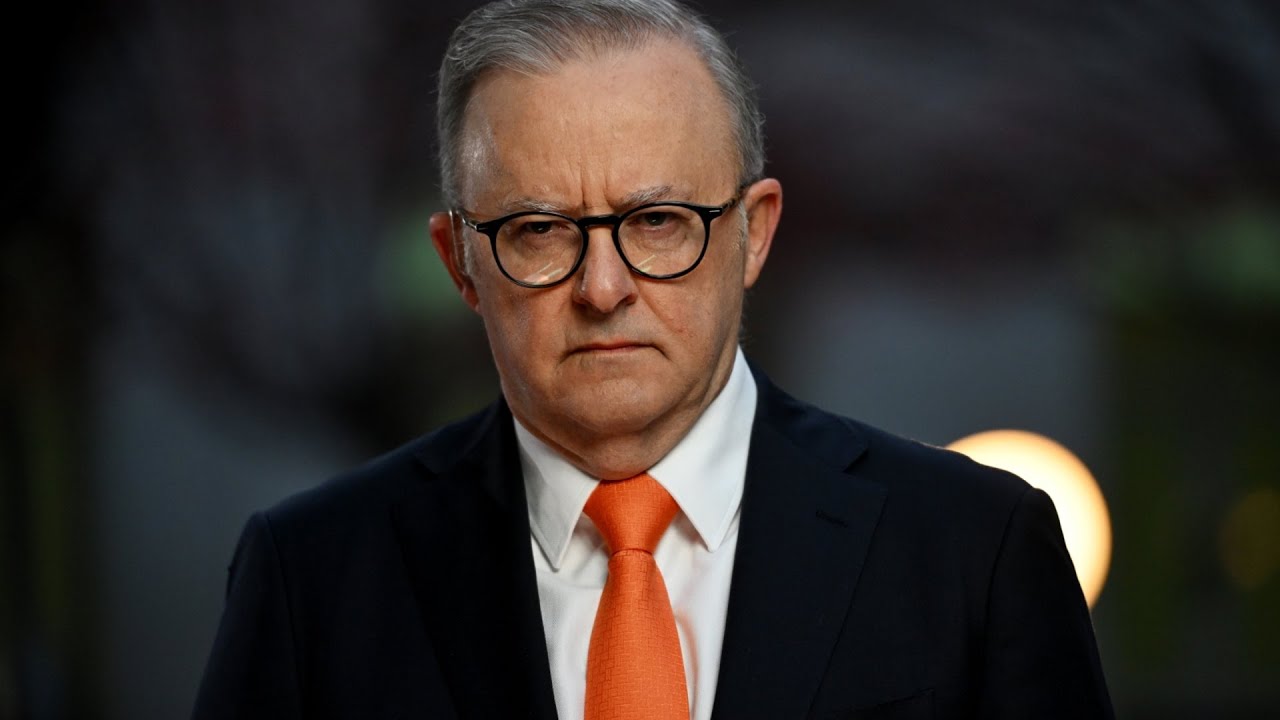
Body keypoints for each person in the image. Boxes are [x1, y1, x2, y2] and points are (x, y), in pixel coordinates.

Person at [193, 1, 1114, 718]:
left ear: (754, 234)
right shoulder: (311, 578)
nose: (603, 288)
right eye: (540, 230)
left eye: (658, 221)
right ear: (460, 262)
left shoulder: (976, 552)